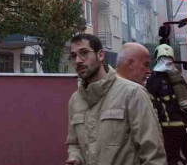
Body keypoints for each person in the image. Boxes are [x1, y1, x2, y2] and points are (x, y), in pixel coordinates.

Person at [65, 33, 167, 165]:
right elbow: (74, 143)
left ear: (100, 55)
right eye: (73, 56)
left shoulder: (133, 94)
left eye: (84, 53)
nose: (78, 60)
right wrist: (75, 157)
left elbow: (153, 154)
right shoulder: (75, 100)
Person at [145, 44, 187, 165]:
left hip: (170, 127)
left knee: (171, 157)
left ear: (157, 57)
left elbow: (148, 104)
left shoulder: (153, 80)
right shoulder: (178, 76)